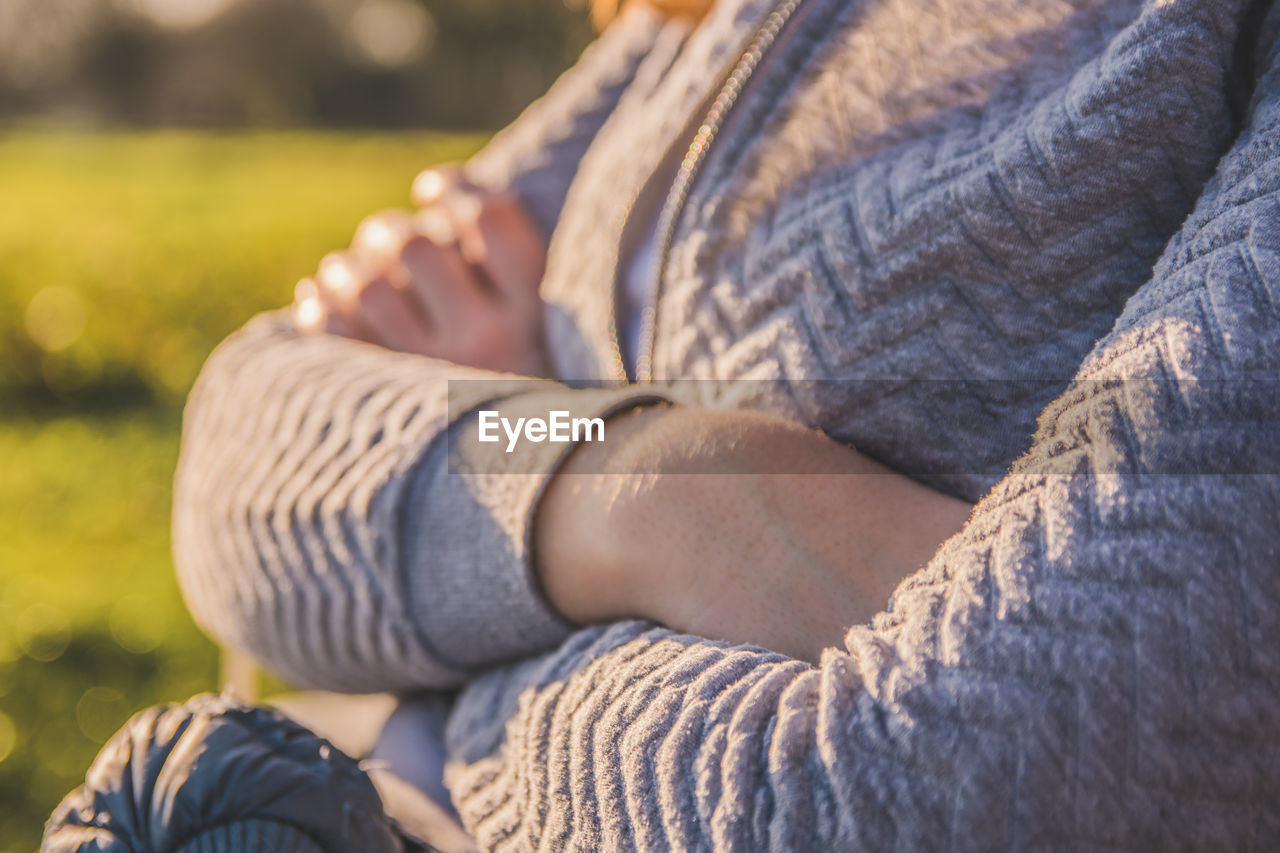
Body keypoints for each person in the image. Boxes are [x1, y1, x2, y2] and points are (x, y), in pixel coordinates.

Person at [47, 0, 1280, 848]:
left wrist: (446, 663)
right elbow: (244, 444)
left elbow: (971, 791)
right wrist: (628, 471)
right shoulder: (711, 25)